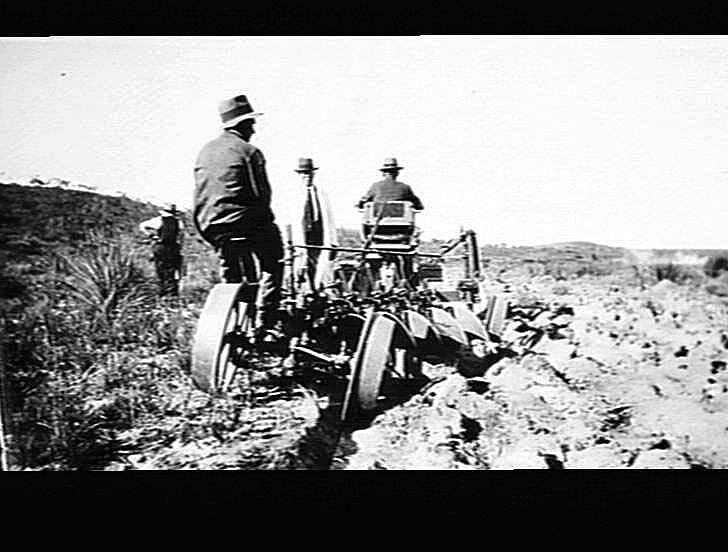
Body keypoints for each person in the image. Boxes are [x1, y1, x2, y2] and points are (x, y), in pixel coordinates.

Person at [193, 94, 284, 335]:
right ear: (242, 124)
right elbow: (262, 196)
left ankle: (232, 317)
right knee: (274, 262)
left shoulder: (205, 151)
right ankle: (267, 321)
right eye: (251, 123)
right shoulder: (249, 152)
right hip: (245, 223)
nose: (253, 129)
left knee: (231, 270)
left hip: (211, 225)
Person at [139, 203, 185, 297]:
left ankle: (163, 292)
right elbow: (181, 236)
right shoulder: (178, 222)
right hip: (173, 247)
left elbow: (142, 226)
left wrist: (151, 235)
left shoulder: (158, 220)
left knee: (161, 269)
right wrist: (180, 247)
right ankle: (171, 293)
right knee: (172, 270)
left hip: (161, 246)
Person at [356, 157, 424, 211]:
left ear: (383, 173)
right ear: (397, 173)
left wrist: (360, 205)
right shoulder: (405, 187)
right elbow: (418, 205)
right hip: (400, 221)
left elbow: (364, 200)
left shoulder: (375, 186)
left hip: (377, 220)